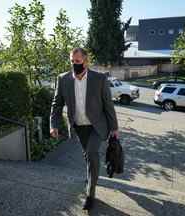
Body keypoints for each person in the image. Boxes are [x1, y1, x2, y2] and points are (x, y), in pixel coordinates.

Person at [50, 47, 118, 210]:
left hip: (97, 126)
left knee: (92, 154)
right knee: (88, 156)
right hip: (78, 127)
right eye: (72, 61)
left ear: (86, 61)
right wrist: (53, 124)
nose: (75, 64)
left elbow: (108, 105)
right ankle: (91, 178)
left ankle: (90, 194)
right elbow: (57, 104)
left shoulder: (99, 79)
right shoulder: (63, 79)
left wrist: (114, 127)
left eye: (78, 61)